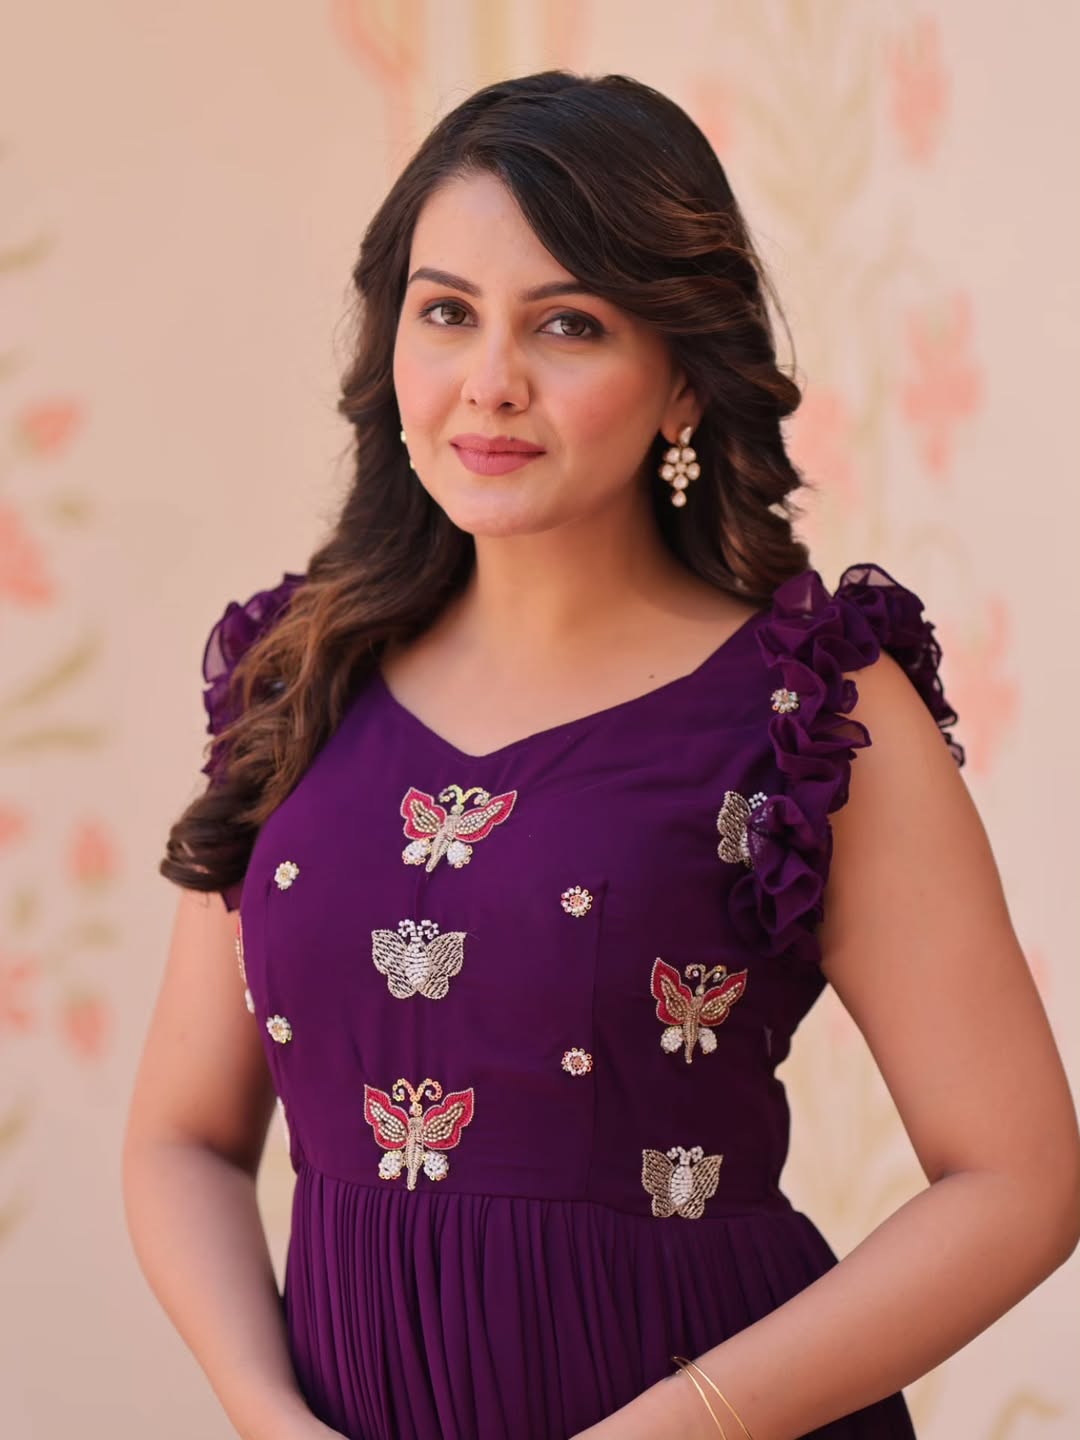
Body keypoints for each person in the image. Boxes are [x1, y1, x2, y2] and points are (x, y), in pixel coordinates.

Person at [122, 70, 1080, 1440]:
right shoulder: (300, 678)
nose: (491, 381)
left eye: (569, 324)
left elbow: (1023, 1180)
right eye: (447, 312)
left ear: (684, 380)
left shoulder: (810, 710)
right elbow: (183, 1139)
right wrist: (268, 1415)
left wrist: (667, 1431)